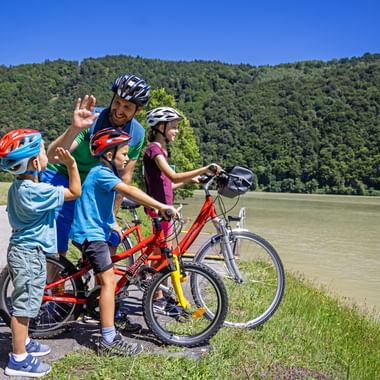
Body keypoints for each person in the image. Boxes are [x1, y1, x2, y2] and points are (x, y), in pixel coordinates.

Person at [69, 128, 176, 356]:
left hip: (98, 230)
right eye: (124, 153)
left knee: (113, 270)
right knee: (109, 281)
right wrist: (160, 206)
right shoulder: (102, 173)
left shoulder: (104, 172)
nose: (128, 158)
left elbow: (101, 205)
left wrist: (113, 224)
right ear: (109, 155)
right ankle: (108, 338)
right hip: (90, 233)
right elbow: (129, 189)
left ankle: (108, 313)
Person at [0, 129, 81, 377]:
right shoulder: (36, 191)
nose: (48, 155)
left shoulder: (20, 186)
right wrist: (72, 165)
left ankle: (23, 343)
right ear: (35, 162)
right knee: (23, 307)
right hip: (29, 254)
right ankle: (19, 359)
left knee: (29, 300)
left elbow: (40, 177)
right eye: (44, 151)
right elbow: (75, 192)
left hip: (23, 251)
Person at [43, 73, 150, 256]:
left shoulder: (137, 134)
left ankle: (98, 282)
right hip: (61, 176)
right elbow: (52, 156)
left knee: (110, 238)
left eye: (127, 106)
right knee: (58, 240)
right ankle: (55, 284)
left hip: (91, 186)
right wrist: (75, 128)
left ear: (137, 110)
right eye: (117, 102)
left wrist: (112, 218)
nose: (119, 110)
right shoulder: (93, 119)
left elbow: (124, 177)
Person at [143, 107, 220, 314]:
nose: (176, 131)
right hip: (161, 211)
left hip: (163, 209)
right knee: (163, 256)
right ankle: (156, 298)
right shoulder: (155, 150)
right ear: (161, 127)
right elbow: (173, 177)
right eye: (174, 127)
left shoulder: (160, 150)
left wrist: (190, 181)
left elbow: (167, 184)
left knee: (161, 254)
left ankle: (157, 294)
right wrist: (204, 169)